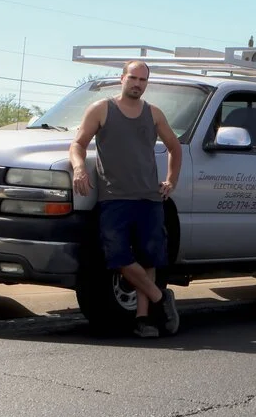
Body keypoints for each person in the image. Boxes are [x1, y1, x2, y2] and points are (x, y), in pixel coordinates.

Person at [69, 61, 182, 337]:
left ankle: (143, 320)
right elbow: (78, 144)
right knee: (117, 256)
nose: (137, 84)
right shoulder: (101, 109)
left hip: (149, 198)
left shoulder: (153, 113)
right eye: (133, 78)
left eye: (143, 80)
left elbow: (174, 147)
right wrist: (80, 168)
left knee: (148, 259)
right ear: (122, 78)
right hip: (114, 198)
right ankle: (161, 298)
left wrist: (171, 181)